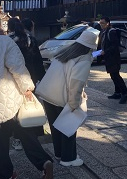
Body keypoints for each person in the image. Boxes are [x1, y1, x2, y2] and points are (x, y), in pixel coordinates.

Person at [0, 10, 54, 179]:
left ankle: (3, 176)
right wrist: (28, 88)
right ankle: (44, 163)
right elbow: (18, 68)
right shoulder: (6, 42)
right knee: (26, 134)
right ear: (0, 23)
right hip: (11, 98)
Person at [36, 28, 98, 167]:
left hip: (48, 95)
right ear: (91, 46)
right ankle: (68, 158)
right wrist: (74, 104)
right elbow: (76, 84)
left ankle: (59, 154)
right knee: (68, 128)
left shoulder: (65, 52)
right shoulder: (84, 58)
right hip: (61, 98)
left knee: (55, 127)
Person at [7, 17, 46, 150]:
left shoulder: (8, 40)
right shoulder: (31, 39)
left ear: (9, 27)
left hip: (12, 78)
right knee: (30, 105)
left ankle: (17, 138)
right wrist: (41, 77)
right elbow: (38, 61)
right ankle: (34, 134)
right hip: (31, 77)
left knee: (16, 109)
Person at [98, 16, 127, 104]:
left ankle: (125, 94)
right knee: (113, 75)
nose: (101, 25)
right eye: (100, 23)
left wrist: (105, 52)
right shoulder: (104, 32)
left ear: (108, 23)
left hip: (114, 57)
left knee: (116, 76)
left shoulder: (111, 32)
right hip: (109, 57)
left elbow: (114, 46)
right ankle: (117, 93)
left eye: (103, 23)